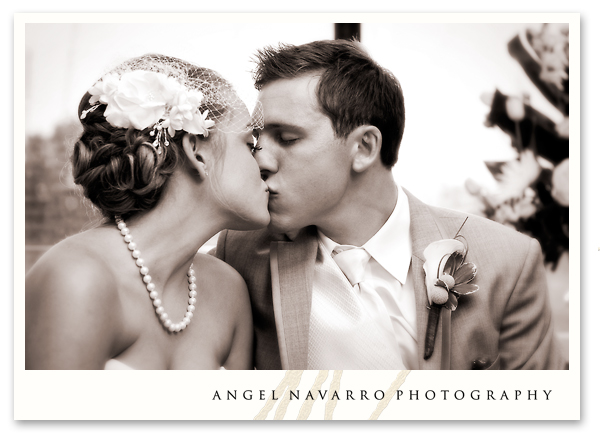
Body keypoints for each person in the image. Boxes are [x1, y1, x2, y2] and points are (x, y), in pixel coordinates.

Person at [215, 39, 567, 370]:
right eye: (258, 139)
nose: (261, 160)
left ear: (365, 147)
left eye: (287, 138)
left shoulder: (508, 262)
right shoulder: (240, 253)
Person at [26, 54, 270, 370]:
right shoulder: (76, 280)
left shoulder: (228, 291)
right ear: (197, 151)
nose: (264, 163)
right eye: (250, 145)